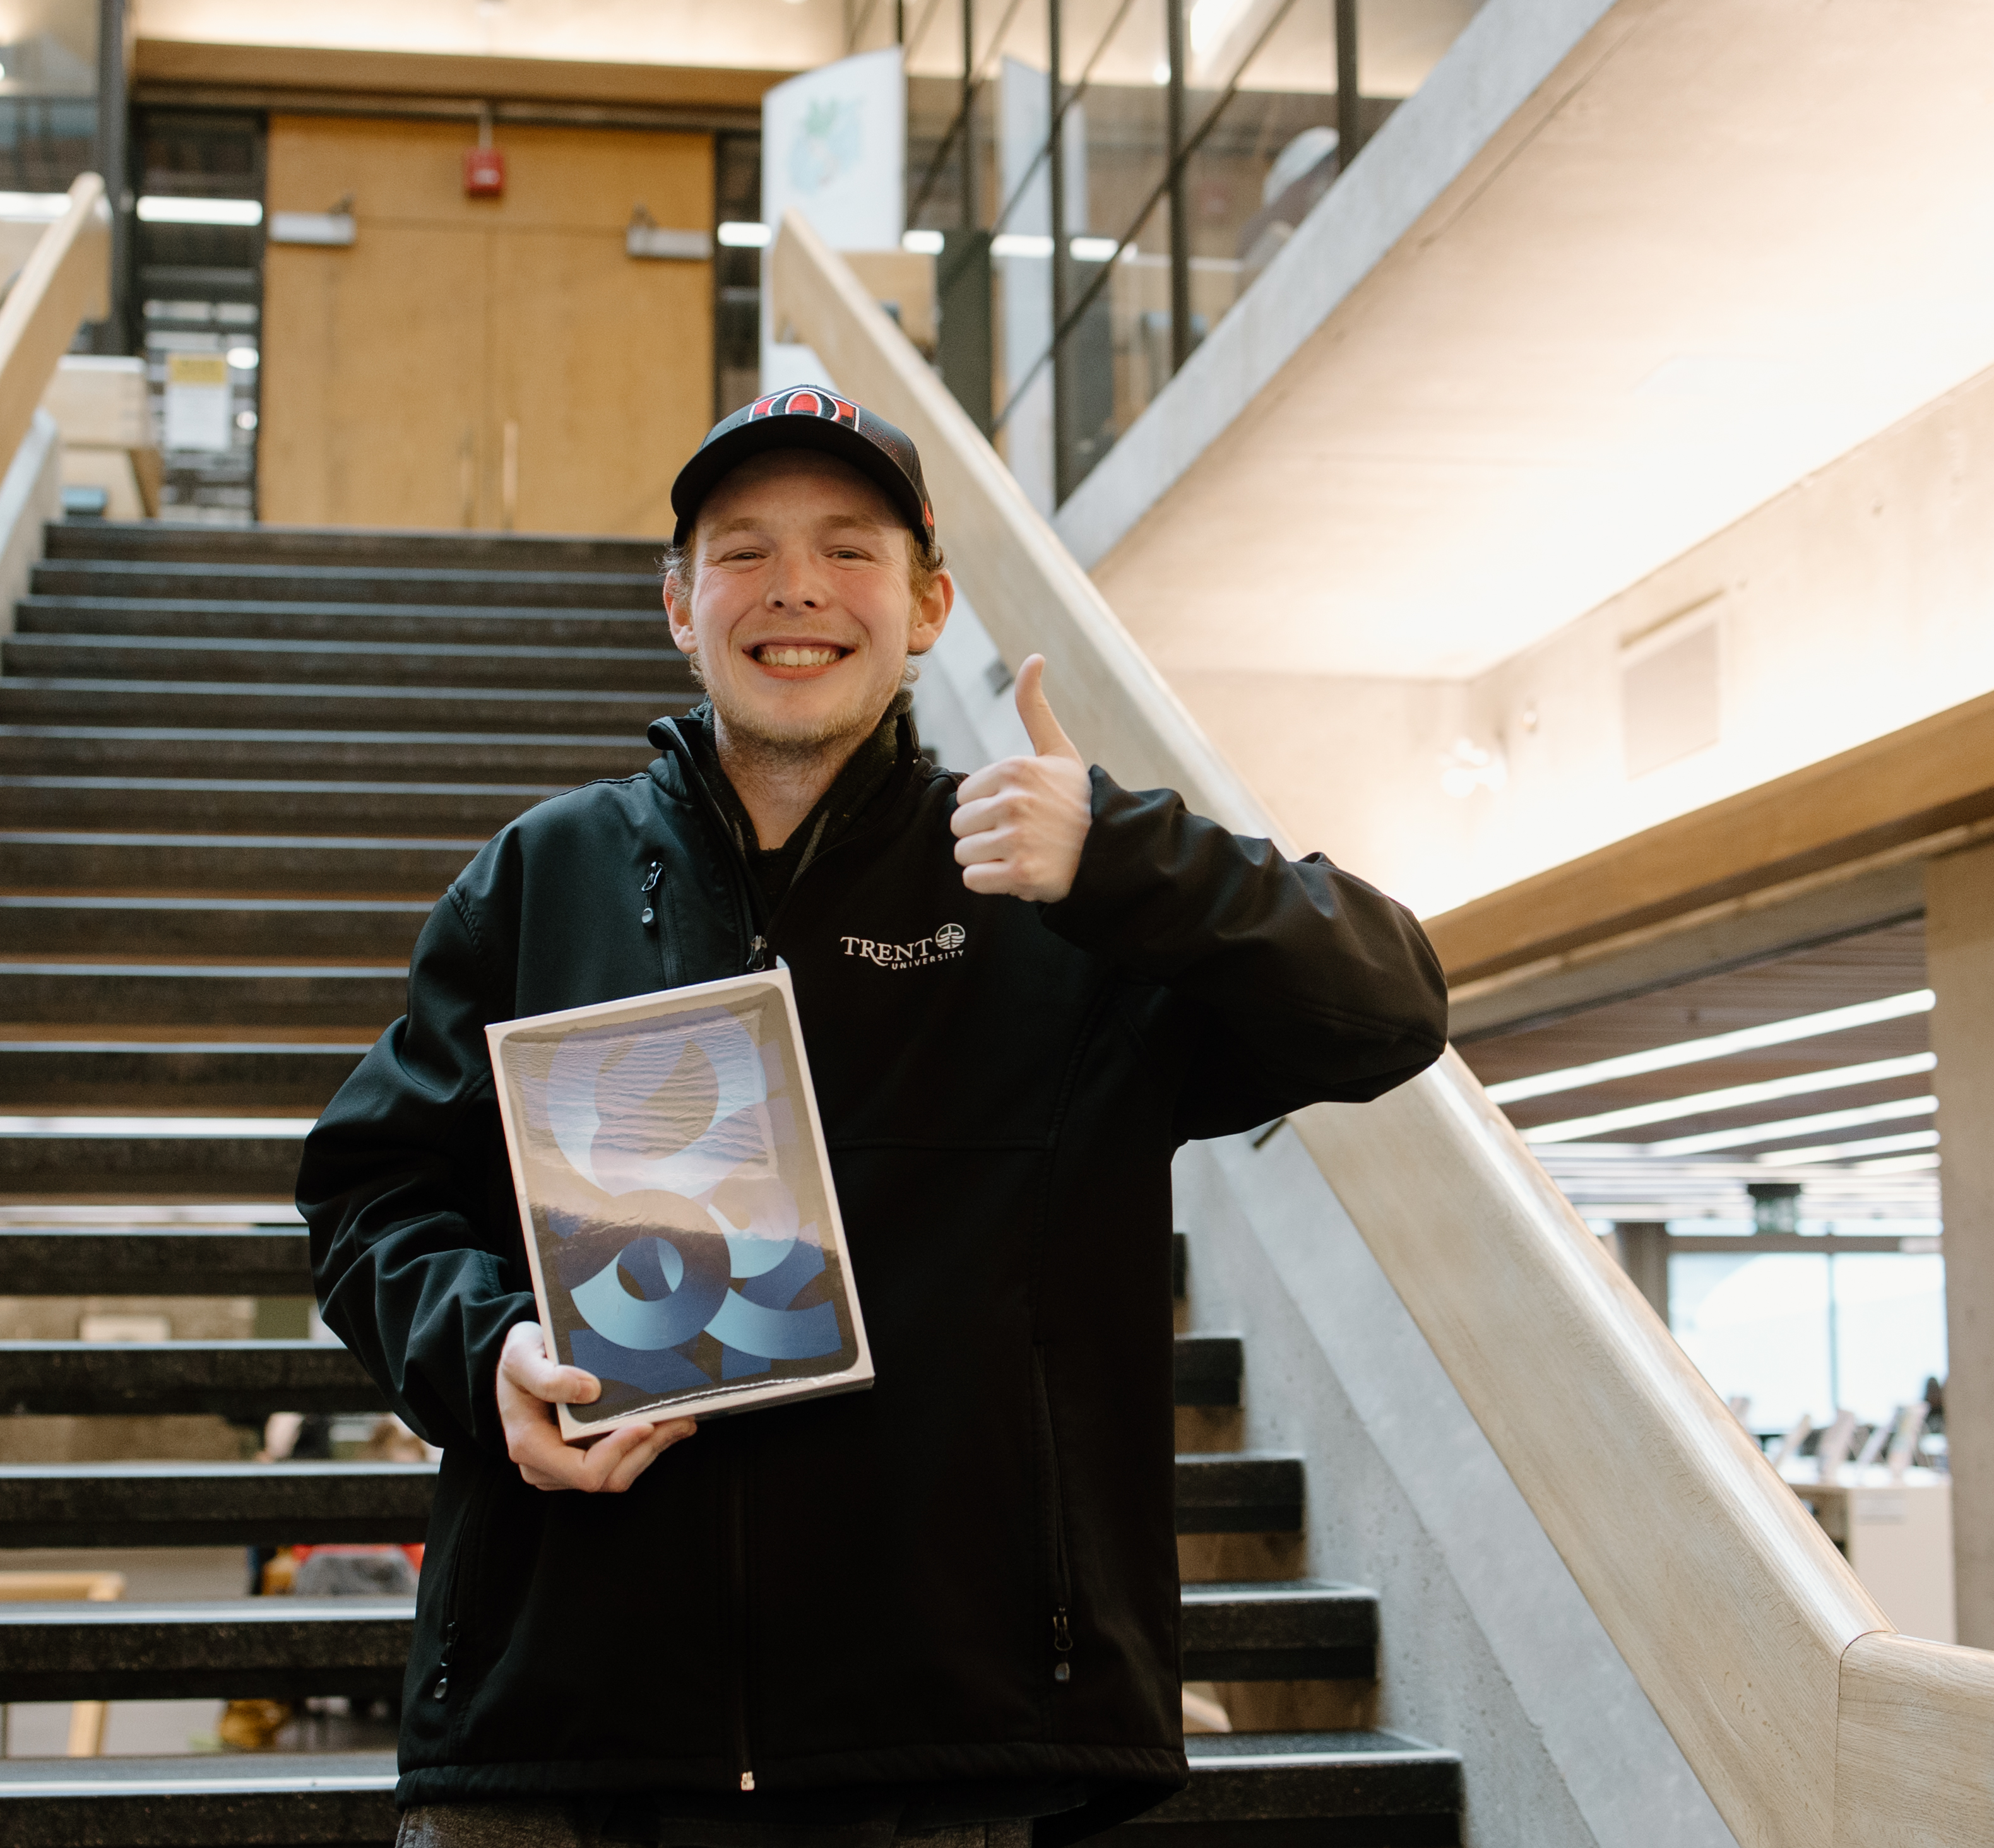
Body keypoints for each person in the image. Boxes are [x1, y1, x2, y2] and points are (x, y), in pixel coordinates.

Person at [301, 389, 1448, 1848]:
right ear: (677, 604)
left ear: (926, 606)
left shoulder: (1055, 894)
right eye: (742, 551)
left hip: (941, 1747)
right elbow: (368, 1197)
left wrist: (1124, 859)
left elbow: (1390, 1011)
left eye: (849, 549)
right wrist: (490, 1357)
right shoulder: (545, 877)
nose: (794, 586)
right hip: (560, 1733)